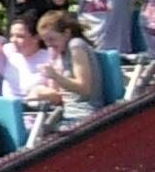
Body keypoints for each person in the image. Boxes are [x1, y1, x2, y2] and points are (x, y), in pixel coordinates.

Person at [31, 8, 103, 137]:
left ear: (66, 33)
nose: (49, 45)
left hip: (84, 113)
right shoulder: (62, 52)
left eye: (52, 39)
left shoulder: (76, 45)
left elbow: (84, 88)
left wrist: (55, 76)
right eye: (45, 41)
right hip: (67, 112)